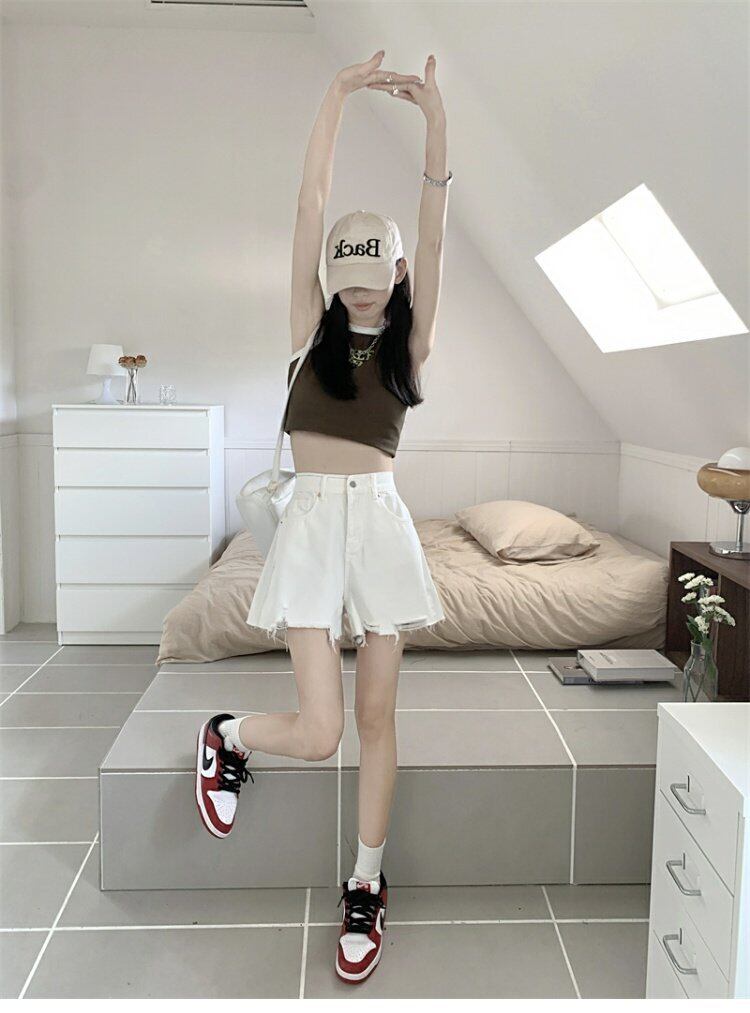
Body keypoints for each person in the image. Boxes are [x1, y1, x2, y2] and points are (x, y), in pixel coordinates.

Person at [196, 50, 450, 985]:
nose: (358, 286)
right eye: (346, 272)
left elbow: (437, 225)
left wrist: (437, 122)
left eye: (373, 270)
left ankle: (366, 883)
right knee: (320, 729)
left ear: (396, 269)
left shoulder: (412, 345)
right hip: (309, 524)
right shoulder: (308, 332)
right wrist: (337, 93)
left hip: (378, 525)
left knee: (377, 718)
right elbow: (308, 204)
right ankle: (227, 734)